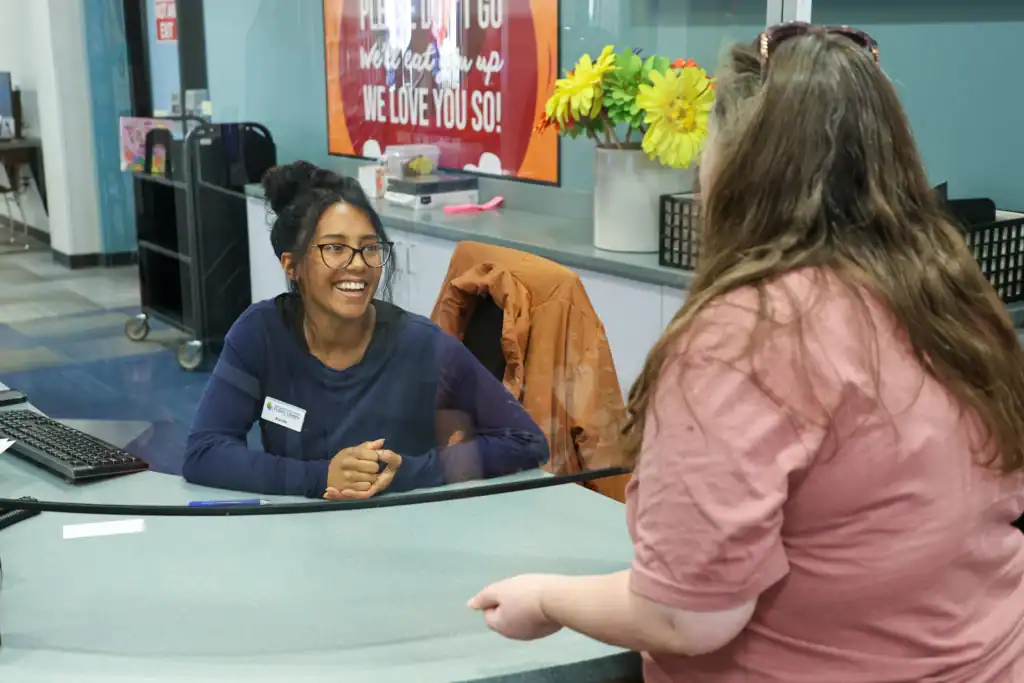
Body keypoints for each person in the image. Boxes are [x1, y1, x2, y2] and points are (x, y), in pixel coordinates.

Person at [468, 24, 1024, 683]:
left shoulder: (746, 337)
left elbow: (688, 617)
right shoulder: (953, 299)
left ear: (738, 176)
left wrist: (547, 597)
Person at [183, 161, 549, 499]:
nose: (357, 265)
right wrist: (320, 477)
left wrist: (408, 472)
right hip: (297, 540)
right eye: (335, 248)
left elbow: (526, 441)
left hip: (404, 539)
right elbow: (204, 452)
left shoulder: (421, 345)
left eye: (369, 248)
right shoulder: (260, 333)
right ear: (292, 265)